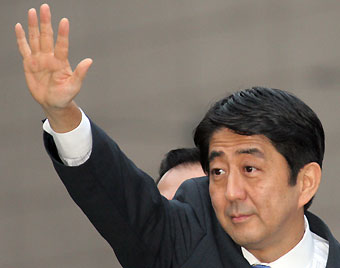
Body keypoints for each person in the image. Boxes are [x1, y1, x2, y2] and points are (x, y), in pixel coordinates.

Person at [15, 4, 340, 268]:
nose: (232, 192)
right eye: (218, 172)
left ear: (306, 181)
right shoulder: (188, 237)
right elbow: (118, 195)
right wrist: (62, 113)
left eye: (249, 169)